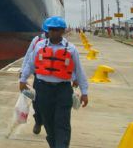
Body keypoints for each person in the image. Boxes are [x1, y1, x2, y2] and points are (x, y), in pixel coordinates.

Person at [20, 16, 89, 148]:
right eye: (51, 30)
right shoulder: (39, 45)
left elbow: (79, 71)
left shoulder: (71, 49)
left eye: (57, 30)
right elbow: (30, 64)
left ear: (63, 31)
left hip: (63, 90)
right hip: (43, 89)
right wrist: (23, 79)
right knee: (49, 123)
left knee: (62, 123)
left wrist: (84, 92)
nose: (53, 32)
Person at [23, 21, 50, 135]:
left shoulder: (65, 45)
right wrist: (22, 75)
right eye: (50, 31)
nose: (53, 33)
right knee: (37, 102)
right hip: (39, 77)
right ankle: (38, 121)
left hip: (58, 80)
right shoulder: (37, 41)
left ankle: (50, 125)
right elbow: (28, 57)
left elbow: (72, 64)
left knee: (53, 105)